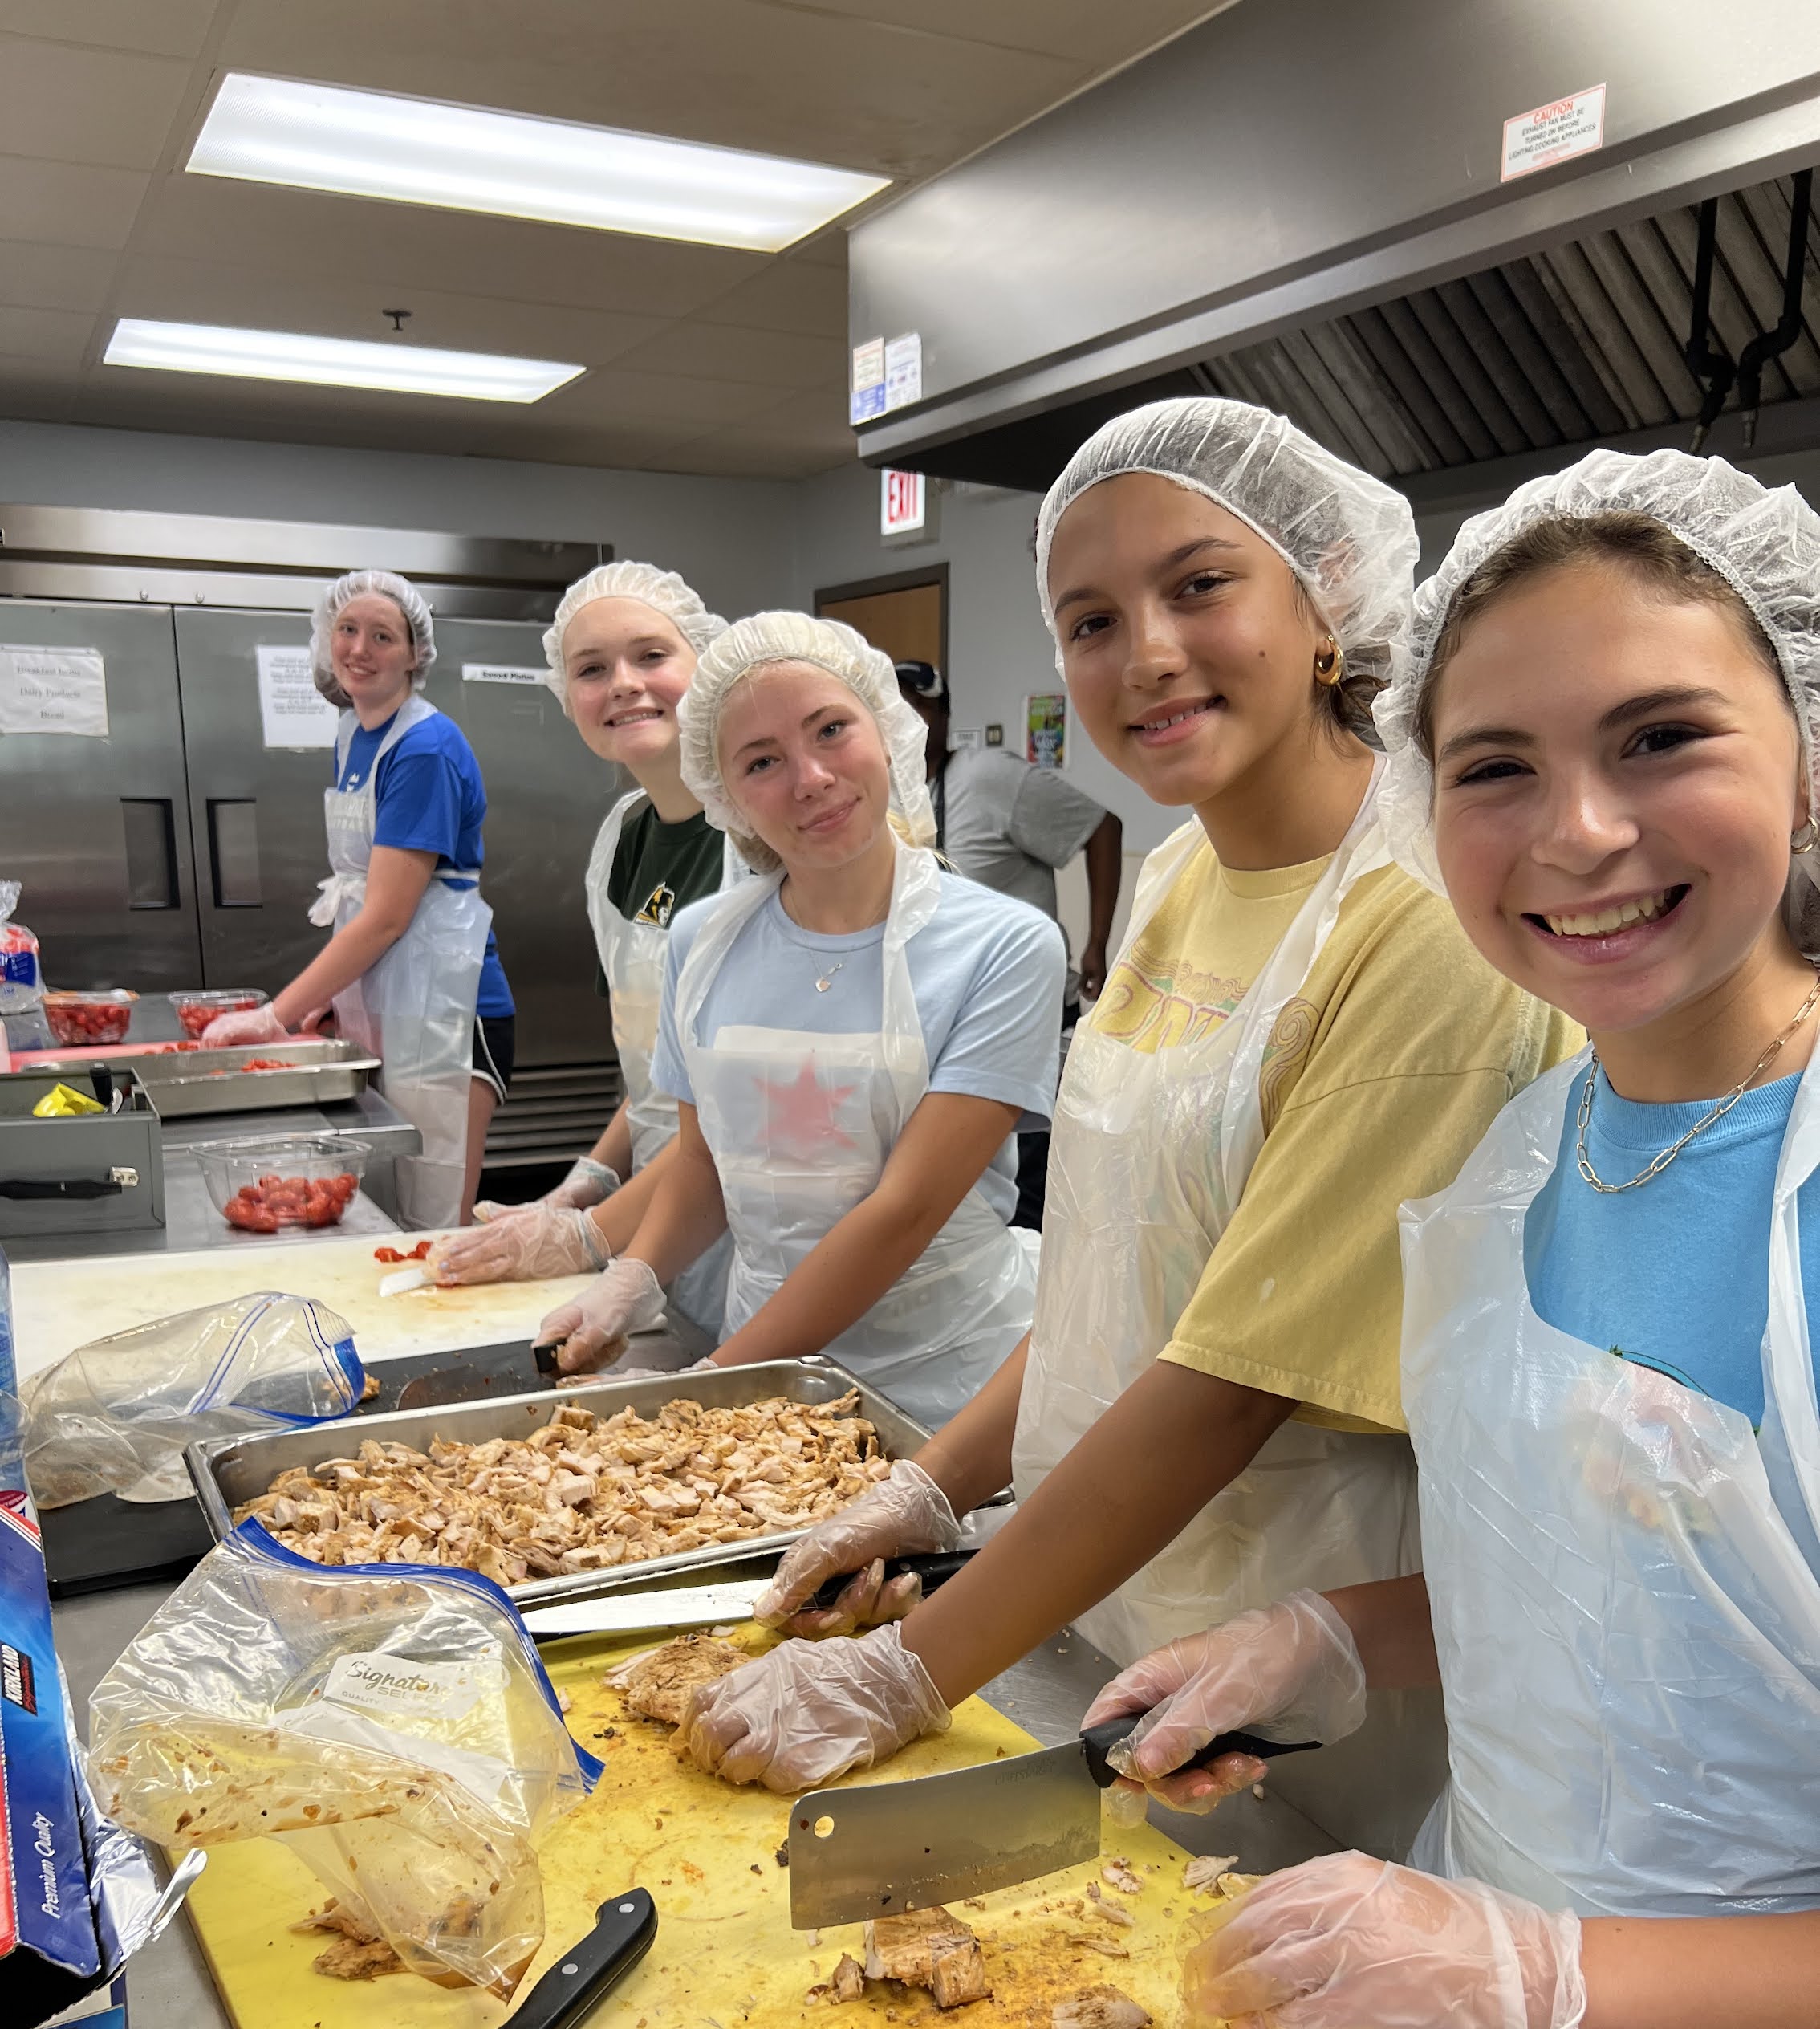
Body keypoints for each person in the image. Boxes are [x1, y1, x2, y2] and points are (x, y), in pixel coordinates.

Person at [1102, 449, 1820, 2029]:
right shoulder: (1529, 1153)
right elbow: (1643, 1587)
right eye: (1495, 769)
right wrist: (1330, 1643)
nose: (1576, 832)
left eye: (1661, 739)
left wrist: (1545, 1976)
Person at [680, 397, 1577, 1796]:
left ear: (1323, 595)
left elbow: (1229, 1383)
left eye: (1199, 583)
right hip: (1109, 1600)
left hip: (1302, 1667)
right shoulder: (1175, 876)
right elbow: (1119, 1275)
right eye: (1089, 620)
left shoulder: (1420, 923)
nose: (1144, 653)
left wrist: (911, 1666)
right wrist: (933, 1485)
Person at [527, 610, 1066, 1426]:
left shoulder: (1005, 945)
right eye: (762, 761)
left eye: (831, 729)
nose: (810, 777)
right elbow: (702, 1164)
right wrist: (631, 1278)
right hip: (762, 1373)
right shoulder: (703, 941)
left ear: (887, 731)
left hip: (949, 1382)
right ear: (728, 795)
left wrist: (706, 1385)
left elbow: (904, 1212)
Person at [434, 561, 737, 1336]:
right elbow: (657, 1071)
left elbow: (749, 1112)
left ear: (705, 660)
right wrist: (589, 1180)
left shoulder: (753, 843)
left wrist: (588, 1234)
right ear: (566, 697)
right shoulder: (623, 839)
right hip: (663, 1226)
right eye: (592, 670)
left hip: (758, 1218)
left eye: (652, 656)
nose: (625, 685)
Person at [202, 570, 510, 1226]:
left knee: (433, 1217)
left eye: (383, 636)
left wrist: (278, 1015)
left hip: (450, 1012)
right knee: (388, 1207)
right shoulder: (354, 732)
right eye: (347, 630)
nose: (360, 649)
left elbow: (388, 915)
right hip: (396, 999)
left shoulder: (423, 747)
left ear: (415, 654)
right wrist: (337, 1004)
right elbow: (361, 895)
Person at [894, 658, 1123, 1226]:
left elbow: (1103, 827)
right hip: (940, 1021)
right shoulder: (888, 798)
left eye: (920, 706)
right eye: (893, 709)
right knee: (964, 1188)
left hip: (1024, 1013)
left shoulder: (986, 777)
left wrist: (1096, 943)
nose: (907, 721)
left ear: (944, 715)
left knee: (1028, 1185)